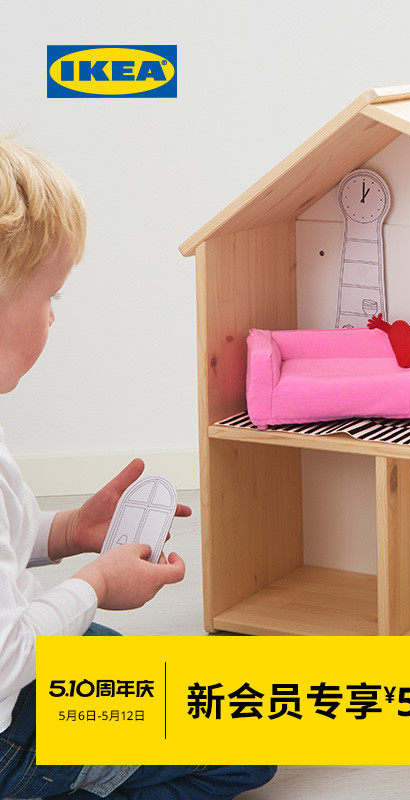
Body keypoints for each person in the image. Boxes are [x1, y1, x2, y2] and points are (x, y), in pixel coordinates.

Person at [0, 137, 276, 798]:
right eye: (49, 296)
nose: (53, 315)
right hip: (12, 724)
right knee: (254, 740)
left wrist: (69, 531)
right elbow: (8, 659)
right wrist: (96, 583)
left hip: (24, 669)